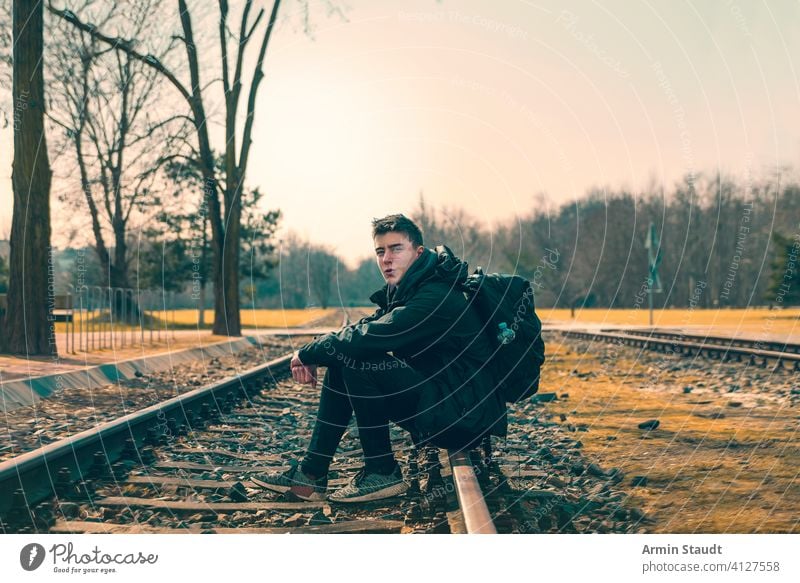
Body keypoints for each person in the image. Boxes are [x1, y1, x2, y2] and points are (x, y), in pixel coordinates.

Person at [251, 214, 506, 503]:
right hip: (449, 400)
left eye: (396, 249)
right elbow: (362, 328)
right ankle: (310, 475)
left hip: (464, 416)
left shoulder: (435, 297)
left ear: (418, 253)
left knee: (356, 358)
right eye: (380, 251)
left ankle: (382, 471)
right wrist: (317, 350)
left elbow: (369, 336)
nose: (387, 259)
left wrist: (305, 353)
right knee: (343, 357)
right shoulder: (411, 289)